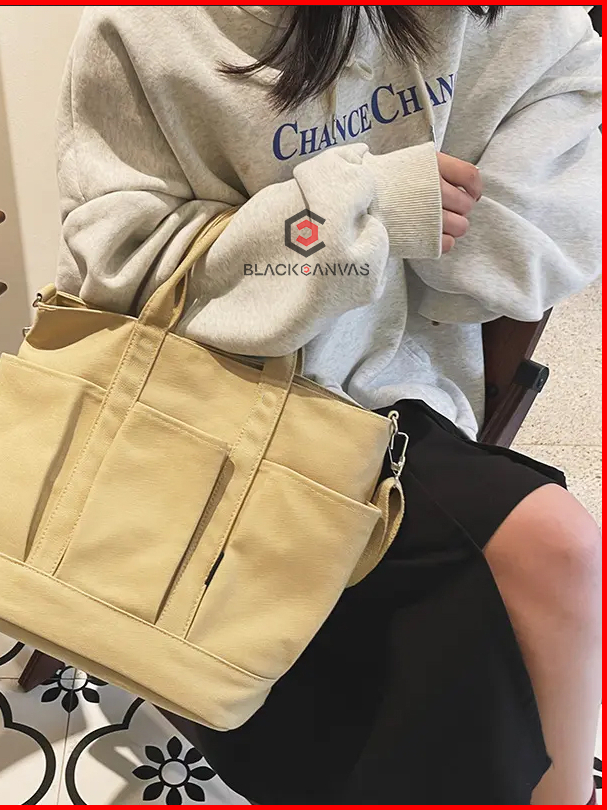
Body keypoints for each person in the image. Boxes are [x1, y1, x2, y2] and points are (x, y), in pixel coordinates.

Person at [54, 6, 601, 804]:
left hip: (387, 400)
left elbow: (529, 245)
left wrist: (386, 228)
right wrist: (360, 210)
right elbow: (120, 263)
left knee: (552, 556)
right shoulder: (146, 30)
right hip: (193, 390)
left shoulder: (513, 24)